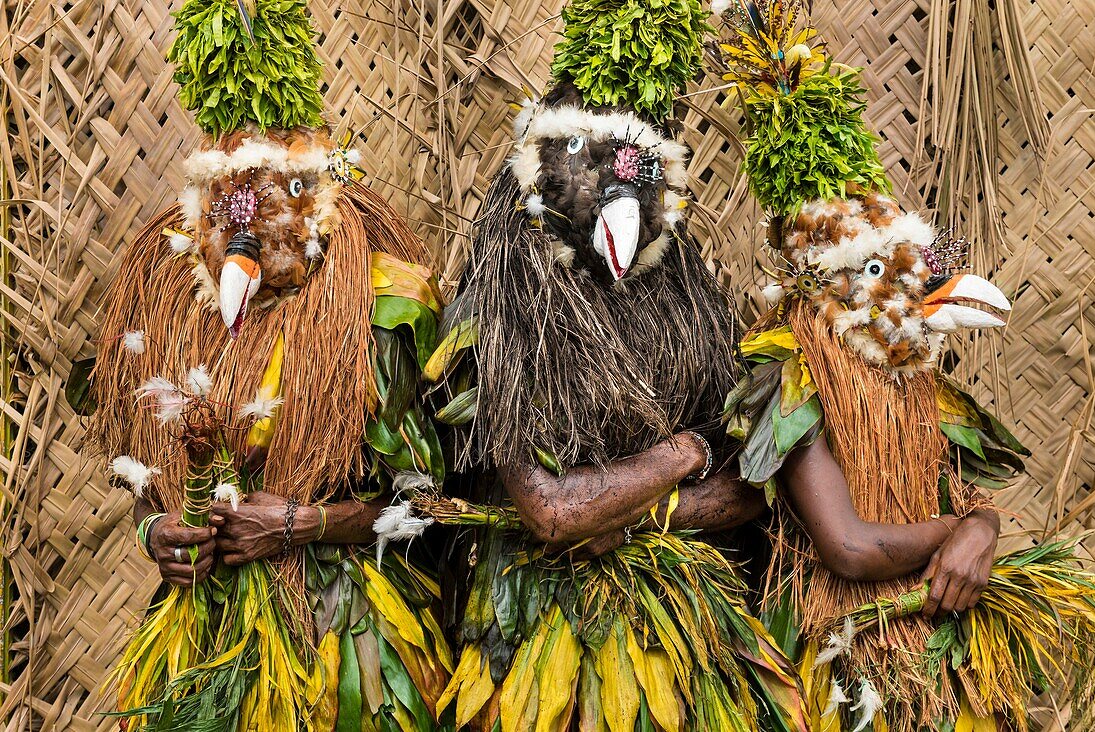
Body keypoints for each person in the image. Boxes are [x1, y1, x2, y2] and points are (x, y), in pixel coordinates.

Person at [415, 0, 808, 729]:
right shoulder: (505, 303)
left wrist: (632, 511)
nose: (620, 192)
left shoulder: (689, 301)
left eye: (640, 174)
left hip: (687, 629)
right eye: (594, 167)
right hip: (545, 626)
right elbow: (554, 512)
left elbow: (752, 488)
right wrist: (683, 453)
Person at [717, 1, 1095, 728]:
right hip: (844, 651)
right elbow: (853, 549)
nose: (909, 290)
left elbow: (963, 495)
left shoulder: (913, 378)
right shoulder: (796, 370)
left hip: (931, 641)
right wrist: (956, 534)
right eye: (881, 271)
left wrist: (980, 527)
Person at [85, 0, 451, 728]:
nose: (247, 246)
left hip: (340, 640)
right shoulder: (166, 307)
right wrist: (154, 532)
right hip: (202, 639)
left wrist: (306, 523)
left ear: (313, 207)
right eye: (228, 217)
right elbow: (140, 479)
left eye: (275, 207)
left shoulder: (379, 311)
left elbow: (430, 507)